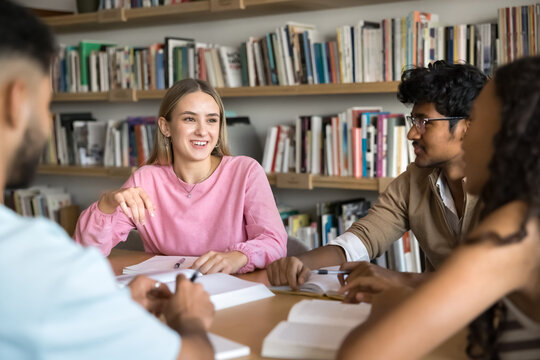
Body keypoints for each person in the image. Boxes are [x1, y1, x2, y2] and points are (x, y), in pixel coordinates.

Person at [0, 1, 214, 359]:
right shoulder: (40, 264)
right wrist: (189, 320)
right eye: (47, 104)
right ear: (17, 101)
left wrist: (104, 306)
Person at [337, 56, 540, 360]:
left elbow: (360, 355)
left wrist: (392, 301)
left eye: (479, 123)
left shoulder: (514, 232)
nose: (469, 140)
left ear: (510, 137)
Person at [267, 61, 487, 293]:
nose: (412, 133)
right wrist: (301, 264)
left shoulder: (508, 183)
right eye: (413, 121)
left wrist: (399, 280)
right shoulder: (414, 180)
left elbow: (493, 277)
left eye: (424, 122)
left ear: (467, 127)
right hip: (439, 315)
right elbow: (363, 239)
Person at [75, 78, 287, 274]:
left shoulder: (246, 171)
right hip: (168, 293)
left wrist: (238, 257)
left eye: (211, 120)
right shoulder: (145, 180)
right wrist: (106, 205)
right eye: (189, 119)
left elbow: (274, 241)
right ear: (165, 127)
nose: (203, 131)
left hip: (239, 289)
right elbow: (86, 251)